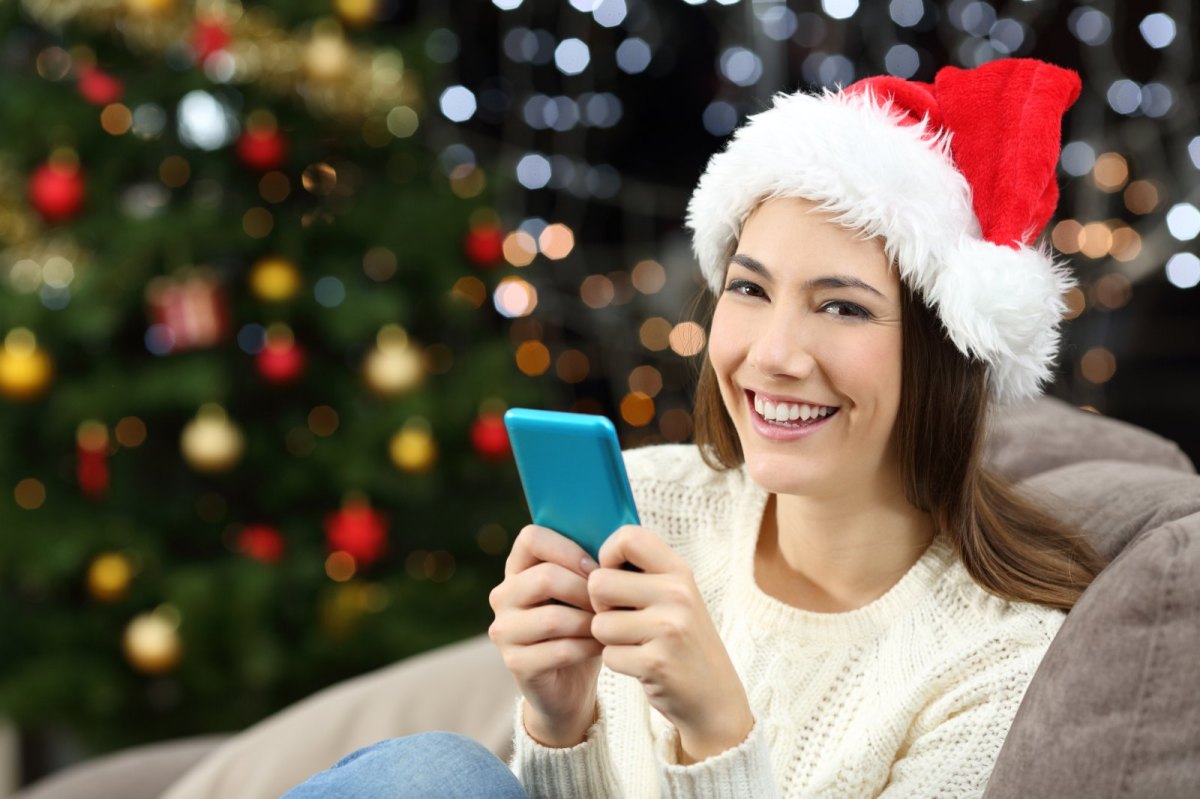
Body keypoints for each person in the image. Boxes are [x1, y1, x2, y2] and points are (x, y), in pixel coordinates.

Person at [282, 56, 1106, 798]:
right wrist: (558, 721)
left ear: (944, 351)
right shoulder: (653, 505)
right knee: (441, 773)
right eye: (749, 289)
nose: (773, 354)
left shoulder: (1000, 662)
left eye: (842, 306)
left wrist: (718, 731)